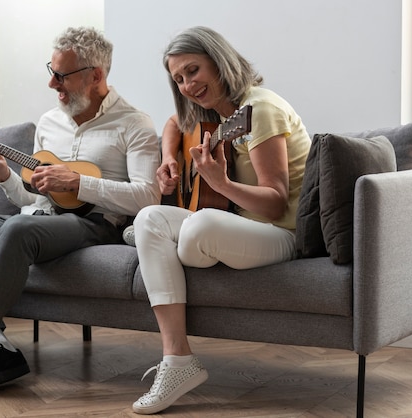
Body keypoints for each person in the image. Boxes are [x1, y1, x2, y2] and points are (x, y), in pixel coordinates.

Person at [0, 26, 161, 400]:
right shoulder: (50, 122)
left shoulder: (134, 124)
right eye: (50, 71)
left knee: (17, 231)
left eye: (61, 75)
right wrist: (3, 173)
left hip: (94, 225)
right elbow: (29, 198)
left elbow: (148, 196)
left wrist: (79, 184)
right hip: (39, 218)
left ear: (96, 75)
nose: (52, 83)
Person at [131, 26, 311, 415]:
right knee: (148, 218)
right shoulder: (217, 114)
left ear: (220, 61)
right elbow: (175, 123)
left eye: (193, 70)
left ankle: (161, 249)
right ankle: (178, 360)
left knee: (200, 224)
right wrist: (168, 158)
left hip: (280, 234)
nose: (187, 84)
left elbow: (276, 205)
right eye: (178, 78)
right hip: (235, 229)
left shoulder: (258, 110)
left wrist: (220, 182)